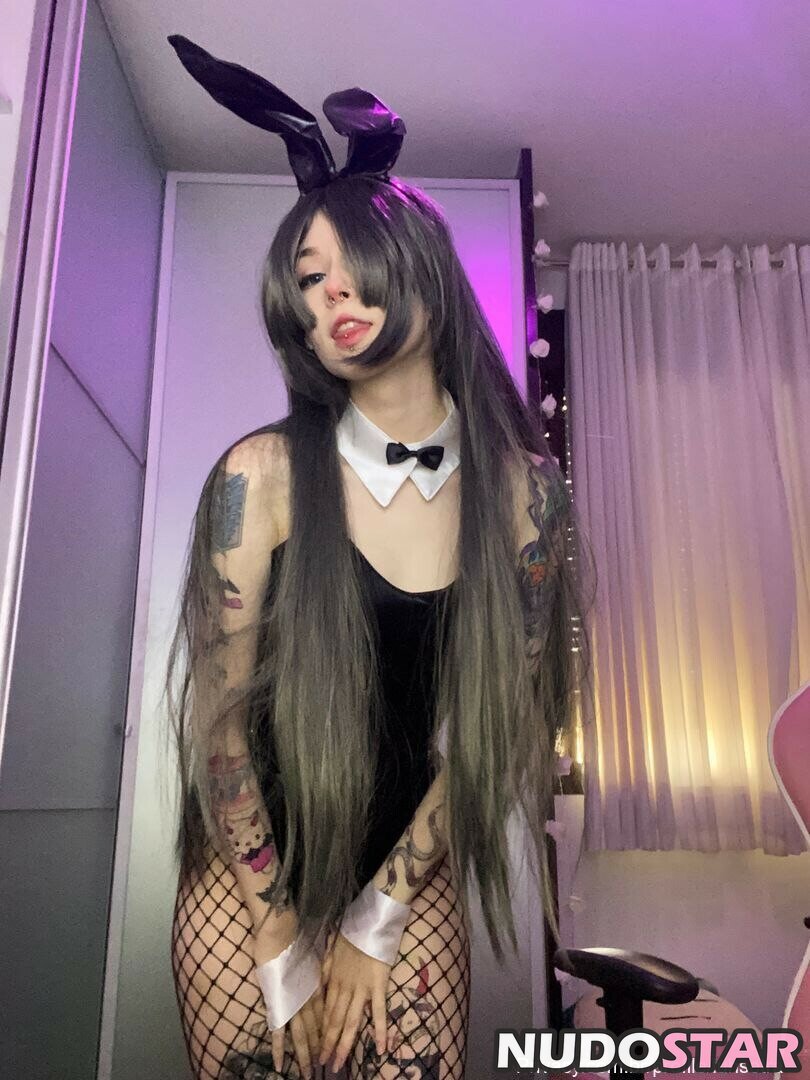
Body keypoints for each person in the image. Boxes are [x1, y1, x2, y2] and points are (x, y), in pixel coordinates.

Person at [164, 37, 590, 1080]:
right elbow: (219, 722)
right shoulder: (259, 477)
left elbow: (495, 724)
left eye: (349, 267)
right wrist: (276, 931)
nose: (331, 301)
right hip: (250, 876)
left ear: (422, 266)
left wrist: (378, 916)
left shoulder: (529, 497)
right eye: (307, 286)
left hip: (410, 863)